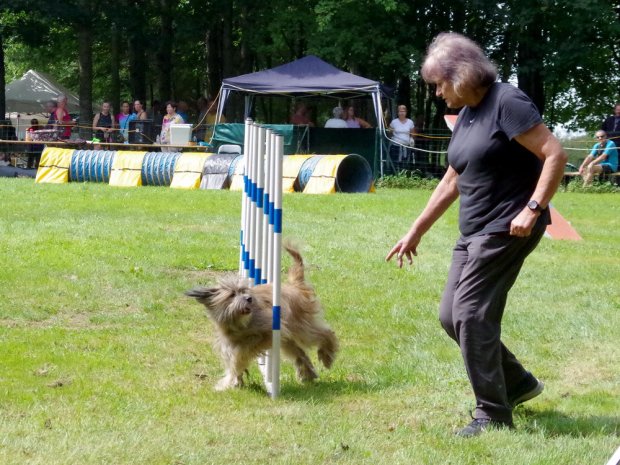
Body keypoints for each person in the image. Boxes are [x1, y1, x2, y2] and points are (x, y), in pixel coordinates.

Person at [386, 32, 567, 438]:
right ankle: (518, 383)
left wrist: (533, 208)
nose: (436, 93)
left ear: (462, 75)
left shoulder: (507, 102)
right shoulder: (469, 112)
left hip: (507, 227)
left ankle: (492, 413)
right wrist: (416, 230)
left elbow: (554, 153)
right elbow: (454, 176)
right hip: (473, 230)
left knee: (471, 314)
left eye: (439, 84)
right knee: (452, 316)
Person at [388, 105, 416, 172]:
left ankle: (404, 177)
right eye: (400, 111)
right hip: (395, 147)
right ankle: (394, 175)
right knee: (395, 163)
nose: (402, 113)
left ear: (406, 112)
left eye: (403, 111)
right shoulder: (394, 122)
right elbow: (389, 134)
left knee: (405, 164)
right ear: (398, 113)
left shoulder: (410, 122)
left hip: (406, 147)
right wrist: (390, 131)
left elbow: (413, 134)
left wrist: (412, 139)